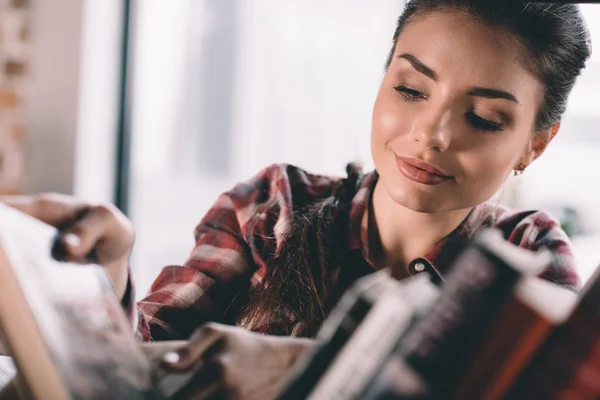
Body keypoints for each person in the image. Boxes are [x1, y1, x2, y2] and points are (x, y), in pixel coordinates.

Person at [4, 0, 592, 398]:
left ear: (534, 145)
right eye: (410, 89)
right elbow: (144, 369)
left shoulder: (527, 254)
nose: (432, 133)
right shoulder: (274, 206)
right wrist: (102, 285)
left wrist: (293, 369)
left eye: (485, 119)